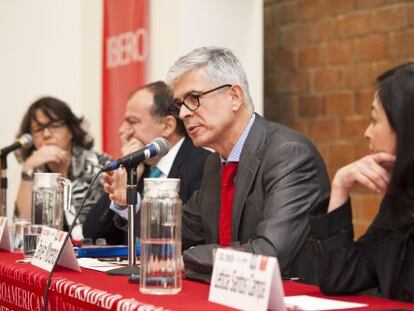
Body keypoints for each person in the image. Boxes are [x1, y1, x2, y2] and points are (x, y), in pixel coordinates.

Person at [105, 47, 330, 283]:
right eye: (180, 104)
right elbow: (183, 230)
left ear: (234, 97)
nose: (183, 114)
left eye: (194, 99)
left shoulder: (289, 154)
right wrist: (127, 202)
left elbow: (268, 253)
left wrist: (186, 259)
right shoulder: (216, 162)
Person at [309, 63, 414, 302]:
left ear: (405, 127)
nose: (367, 132)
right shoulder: (400, 201)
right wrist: (340, 187)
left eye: (374, 120)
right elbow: (340, 278)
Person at [94, 81, 211, 235]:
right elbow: (92, 233)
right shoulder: (142, 165)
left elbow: (189, 234)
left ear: (167, 126)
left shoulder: (205, 165)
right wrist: (128, 172)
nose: (122, 130)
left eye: (132, 121)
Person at [15, 96, 124, 244]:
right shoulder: (36, 171)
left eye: (54, 125)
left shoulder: (100, 166)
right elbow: (21, 236)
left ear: (71, 130)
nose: (46, 134)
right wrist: (27, 169)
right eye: (39, 129)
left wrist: (64, 176)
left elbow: (86, 235)